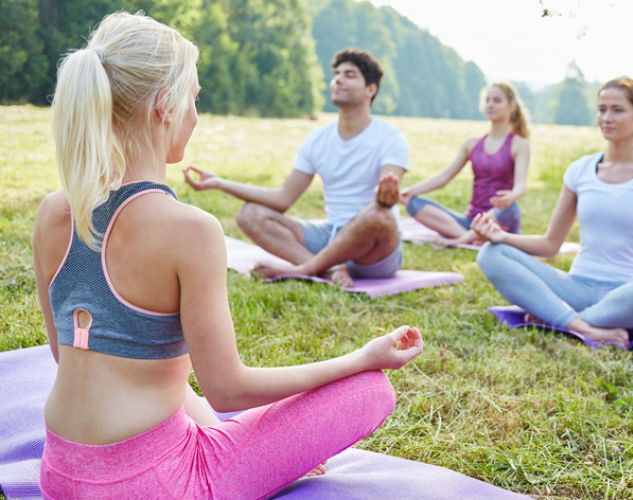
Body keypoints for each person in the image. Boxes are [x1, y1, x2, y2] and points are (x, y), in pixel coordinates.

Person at [32, 13, 423, 500]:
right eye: (194, 98)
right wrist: (361, 358)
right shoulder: (188, 229)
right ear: (163, 107)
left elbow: (64, 356)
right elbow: (228, 389)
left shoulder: (53, 212)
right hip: (157, 486)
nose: (196, 115)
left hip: (61, 473)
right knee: (371, 390)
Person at [473, 78, 633, 349]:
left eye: (617, 110)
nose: (606, 117)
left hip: (626, 296)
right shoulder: (580, 170)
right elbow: (550, 245)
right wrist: (501, 237)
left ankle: (557, 319)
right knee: (491, 253)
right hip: (575, 288)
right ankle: (583, 327)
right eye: (602, 109)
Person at [184, 48, 409, 288]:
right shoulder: (318, 139)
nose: (338, 80)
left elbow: (386, 194)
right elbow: (283, 199)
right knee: (250, 215)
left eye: (350, 75)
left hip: (373, 249)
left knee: (378, 215)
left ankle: (306, 269)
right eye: (336, 74)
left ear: (371, 90)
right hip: (330, 236)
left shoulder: (390, 137)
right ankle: (329, 269)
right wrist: (219, 182)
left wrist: (386, 198)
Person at [399, 82, 530, 245]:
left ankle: (463, 239)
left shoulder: (519, 144)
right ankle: (470, 237)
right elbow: (444, 177)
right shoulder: (472, 144)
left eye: (497, 100)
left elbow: (521, 185)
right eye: (487, 100)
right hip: (470, 222)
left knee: (511, 208)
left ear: (511, 106)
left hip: (500, 219)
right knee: (413, 204)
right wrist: (408, 192)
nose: (490, 104)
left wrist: (512, 196)